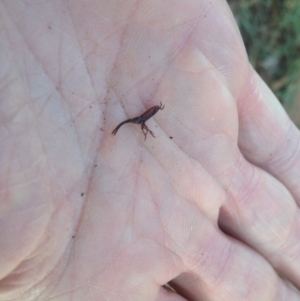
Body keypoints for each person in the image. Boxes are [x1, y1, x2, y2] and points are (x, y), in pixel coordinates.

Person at [1, 0, 300, 300]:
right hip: (136, 118)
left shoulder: (152, 112)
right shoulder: (147, 113)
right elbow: (146, 113)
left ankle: (125, 127)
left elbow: (150, 112)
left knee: (132, 123)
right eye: (156, 108)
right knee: (130, 123)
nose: (156, 109)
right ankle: (123, 127)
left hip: (139, 119)